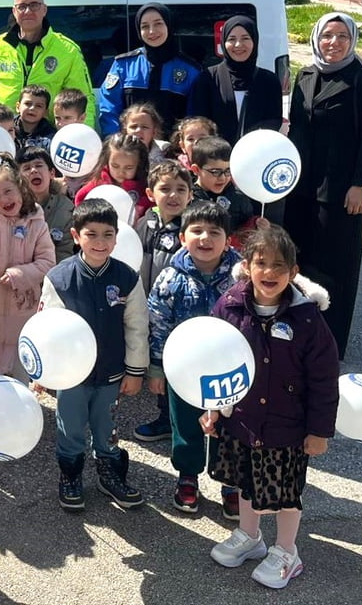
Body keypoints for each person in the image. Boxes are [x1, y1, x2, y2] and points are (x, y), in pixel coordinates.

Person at [205, 224, 339, 590]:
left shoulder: (308, 319)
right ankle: (250, 536)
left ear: (293, 273)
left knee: (285, 494)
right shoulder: (229, 307)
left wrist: (318, 431)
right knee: (246, 484)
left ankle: (286, 551)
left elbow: (324, 379)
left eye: (280, 266)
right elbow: (214, 360)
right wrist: (214, 408)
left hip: (288, 427)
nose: (270, 272)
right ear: (247, 266)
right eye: (261, 263)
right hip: (243, 421)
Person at [284, 13, 362, 358]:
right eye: (327, 35)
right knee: (300, 260)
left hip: (342, 191)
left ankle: (330, 345)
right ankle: (300, 334)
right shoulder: (306, 75)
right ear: (316, 38)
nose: (334, 42)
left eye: (342, 36)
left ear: (352, 40)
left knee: (335, 268)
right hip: (301, 189)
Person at [41, 199, 149, 511]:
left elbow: (137, 326)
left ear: (117, 237)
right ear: (76, 236)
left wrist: (135, 370)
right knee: (71, 428)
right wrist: (47, 373)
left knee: (108, 428)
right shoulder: (59, 278)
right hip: (72, 376)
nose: (100, 243)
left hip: (112, 373)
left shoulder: (127, 277)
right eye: (92, 235)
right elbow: (48, 330)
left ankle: (109, 474)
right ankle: (71, 476)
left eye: (107, 235)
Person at [146, 200, 242, 517]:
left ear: (228, 240)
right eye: (196, 231)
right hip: (183, 369)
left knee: (230, 426)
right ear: (182, 237)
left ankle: (229, 481)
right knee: (185, 424)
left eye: (214, 232)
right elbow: (158, 322)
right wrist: (157, 367)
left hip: (228, 367)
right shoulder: (170, 278)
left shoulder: (241, 277)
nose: (205, 238)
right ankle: (188, 476)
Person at [0, 159, 56, 378]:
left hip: (22, 313)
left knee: (19, 375)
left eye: (8, 191)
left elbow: (47, 262)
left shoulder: (37, 224)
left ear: (21, 188)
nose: (4, 199)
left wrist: (21, 274)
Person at [0, 0, 94, 125]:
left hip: (44, 139)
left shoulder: (68, 50)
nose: (28, 11)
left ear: (44, 10)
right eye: (22, 6)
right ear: (14, 12)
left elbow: (83, 101)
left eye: (34, 5)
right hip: (2, 134)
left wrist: (84, 138)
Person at [132, 159, 193, 444]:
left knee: (177, 364)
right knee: (156, 362)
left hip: (180, 313)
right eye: (165, 188)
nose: (173, 195)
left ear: (191, 196)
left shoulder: (193, 230)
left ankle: (181, 419)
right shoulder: (145, 224)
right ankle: (164, 416)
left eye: (181, 189)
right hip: (147, 305)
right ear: (150, 193)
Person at [97, 3, 201, 137]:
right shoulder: (123, 65)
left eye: (158, 24)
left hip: (172, 152)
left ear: (169, 25)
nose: (152, 31)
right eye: (145, 26)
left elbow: (194, 117)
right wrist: (117, 142)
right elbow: (109, 109)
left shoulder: (190, 70)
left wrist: (178, 147)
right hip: (130, 149)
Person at [189, 14, 284, 145]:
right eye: (231, 39)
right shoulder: (207, 79)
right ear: (223, 42)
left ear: (254, 41)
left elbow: (274, 120)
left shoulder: (269, 80)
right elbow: (198, 121)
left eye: (245, 38)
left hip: (255, 154)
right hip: (215, 158)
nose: (238, 45)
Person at [189, 136, 262, 247]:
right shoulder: (189, 198)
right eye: (215, 172)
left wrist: (256, 225)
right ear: (196, 170)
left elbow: (247, 226)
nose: (223, 177)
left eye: (228, 171)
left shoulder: (238, 197)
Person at [72, 132, 152, 220]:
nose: (121, 172)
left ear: (139, 165)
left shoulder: (144, 191)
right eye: (115, 166)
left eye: (129, 167)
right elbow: (80, 200)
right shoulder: (97, 185)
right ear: (107, 161)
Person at [19, 146, 75, 261]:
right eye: (26, 168)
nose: (33, 170)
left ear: (52, 173)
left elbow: (64, 253)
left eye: (39, 165)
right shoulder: (12, 207)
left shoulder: (66, 209)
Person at [13, 84, 57, 156]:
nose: (32, 108)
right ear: (18, 107)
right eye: (28, 104)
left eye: (39, 106)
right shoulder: (7, 128)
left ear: (45, 112)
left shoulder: (51, 137)